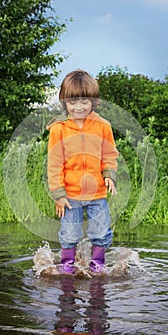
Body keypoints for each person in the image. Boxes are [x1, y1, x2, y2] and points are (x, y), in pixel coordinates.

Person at [47, 69, 118, 274]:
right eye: (73, 102)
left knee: (101, 232)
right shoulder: (58, 129)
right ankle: (67, 268)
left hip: (97, 194)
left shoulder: (103, 126)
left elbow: (109, 155)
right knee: (69, 235)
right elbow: (54, 164)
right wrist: (58, 194)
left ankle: (98, 266)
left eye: (84, 102)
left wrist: (109, 175)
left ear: (93, 101)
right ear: (64, 102)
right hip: (70, 195)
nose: (79, 107)